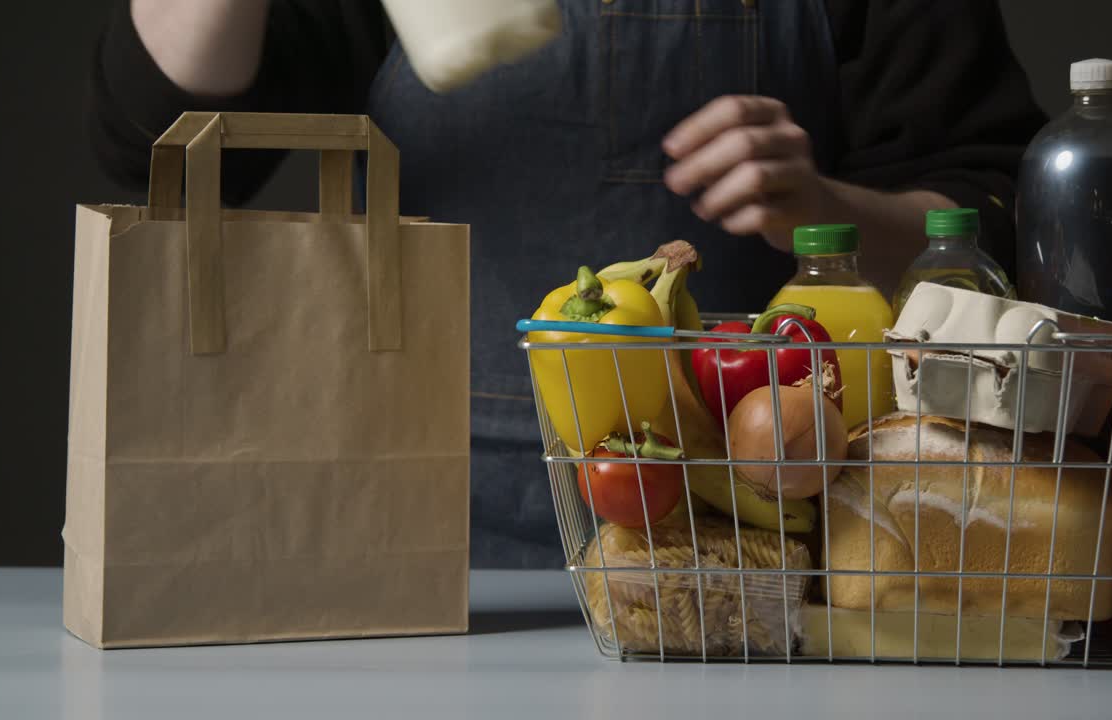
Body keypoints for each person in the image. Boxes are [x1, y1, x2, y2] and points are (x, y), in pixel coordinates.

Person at [89, 0, 1048, 567]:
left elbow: (992, 211)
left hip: (763, 555)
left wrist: (823, 209)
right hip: (419, 553)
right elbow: (158, 145)